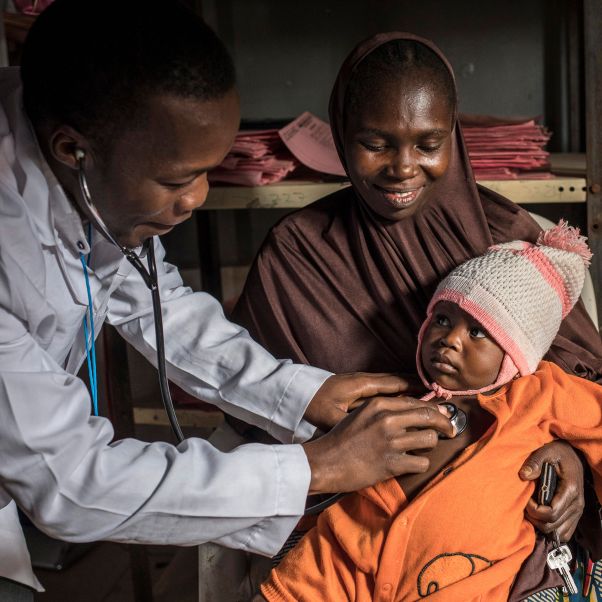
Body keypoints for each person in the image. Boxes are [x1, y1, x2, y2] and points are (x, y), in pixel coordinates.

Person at [0, 5, 460, 598]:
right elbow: (70, 483)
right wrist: (318, 467)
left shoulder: (78, 168)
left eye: (207, 172)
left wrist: (300, 391)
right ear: (73, 149)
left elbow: (153, 299)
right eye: (173, 180)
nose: (195, 199)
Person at [232, 33, 602, 597]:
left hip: (499, 516)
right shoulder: (298, 254)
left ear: (453, 134)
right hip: (353, 516)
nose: (403, 168)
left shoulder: (504, 237)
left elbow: (576, 386)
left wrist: (567, 457)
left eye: (429, 143)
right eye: (375, 143)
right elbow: (255, 403)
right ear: (339, 134)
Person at [258, 222, 602, 602]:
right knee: (301, 574)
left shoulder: (539, 393)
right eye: (442, 319)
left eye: (478, 332)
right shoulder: (397, 395)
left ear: (517, 352)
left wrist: (578, 460)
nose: (449, 340)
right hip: (354, 554)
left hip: (469, 579)